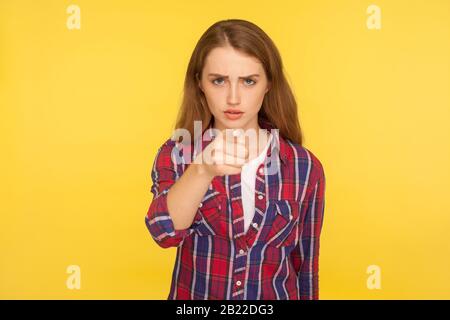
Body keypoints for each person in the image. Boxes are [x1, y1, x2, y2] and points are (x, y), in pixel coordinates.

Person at [145, 19, 326, 300]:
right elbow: (163, 233)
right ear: (200, 83)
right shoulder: (177, 153)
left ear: (268, 85)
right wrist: (201, 171)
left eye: (249, 81)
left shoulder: (305, 168)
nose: (233, 98)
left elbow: (306, 267)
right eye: (218, 80)